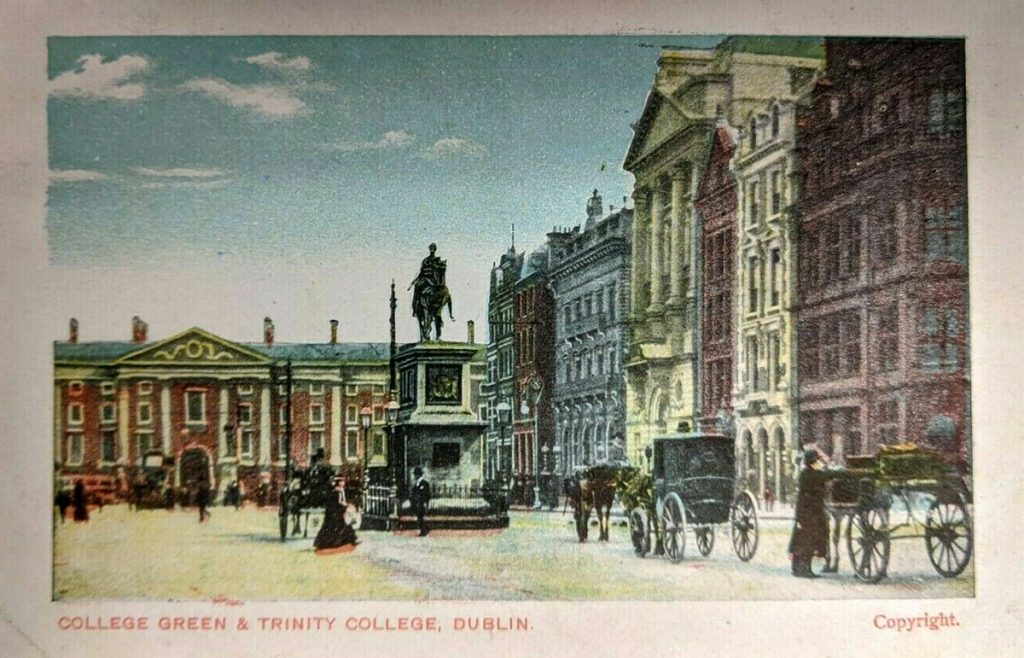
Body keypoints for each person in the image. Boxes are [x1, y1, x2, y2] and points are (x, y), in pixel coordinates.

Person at [788, 449, 830, 578]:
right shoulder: (813, 474)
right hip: (811, 511)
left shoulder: (806, 473)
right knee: (809, 540)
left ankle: (796, 568)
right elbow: (826, 475)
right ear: (813, 461)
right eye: (816, 460)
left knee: (800, 539)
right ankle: (806, 569)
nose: (818, 462)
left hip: (804, 510)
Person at [314, 476, 358, 552]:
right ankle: (338, 543)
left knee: (339, 527)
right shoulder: (338, 491)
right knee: (338, 527)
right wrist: (346, 505)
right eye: (342, 481)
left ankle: (344, 542)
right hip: (336, 512)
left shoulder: (339, 490)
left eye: (343, 481)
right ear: (338, 482)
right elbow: (339, 502)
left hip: (336, 512)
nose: (343, 483)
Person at [409, 466, 431, 537]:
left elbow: (426, 494)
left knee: (421, 517)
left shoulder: (425, 483)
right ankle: (423, 530)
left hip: (421, 503)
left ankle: (423, 531)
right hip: (417, 503)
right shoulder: (416, 483)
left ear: (419, 475)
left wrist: (425, 503)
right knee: (419, 517)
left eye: (416, 474)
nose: (415, 476)